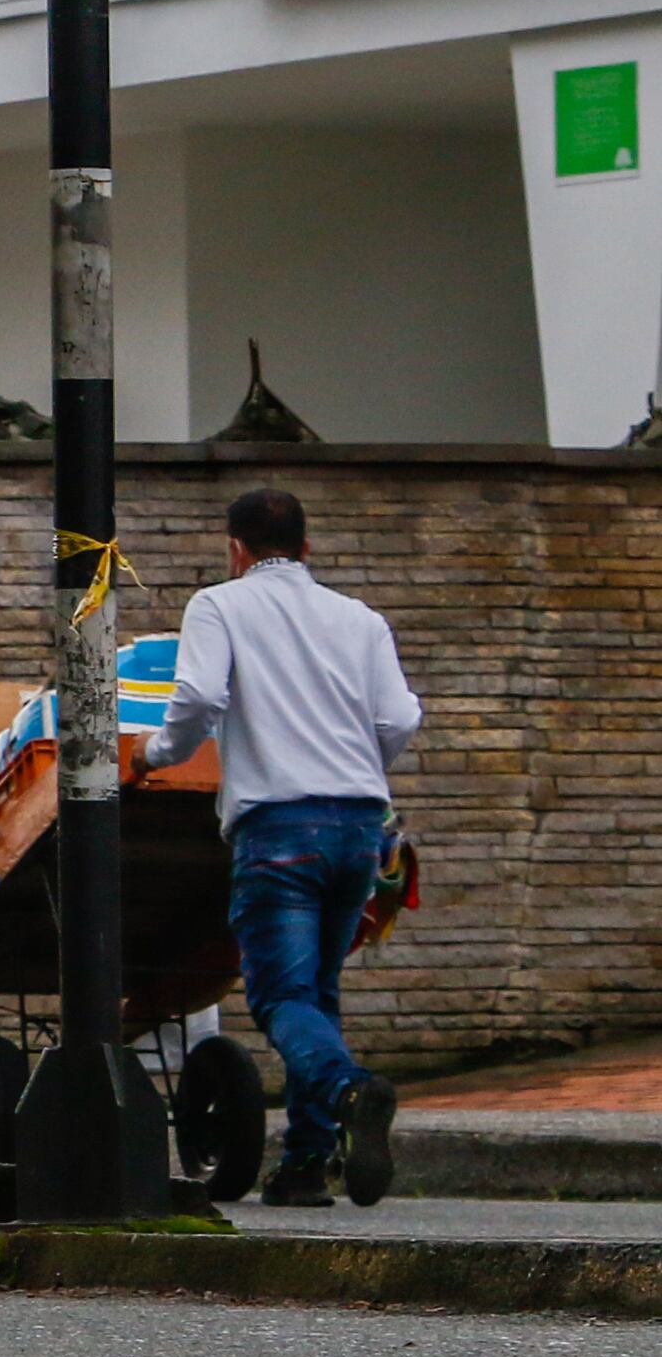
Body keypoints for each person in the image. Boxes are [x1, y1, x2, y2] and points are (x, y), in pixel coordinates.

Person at [147, 484, 420, 1207]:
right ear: (307, 547)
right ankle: (305, 1162)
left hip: (279, 827)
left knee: (279, 994)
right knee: (317, 994)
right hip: (361, 823)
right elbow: (399, 716)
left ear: (235, 549)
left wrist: (153, 753)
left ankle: (349, 1091)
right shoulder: (360, 619)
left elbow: (200, 700)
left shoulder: (220, 603)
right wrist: (354, 765)